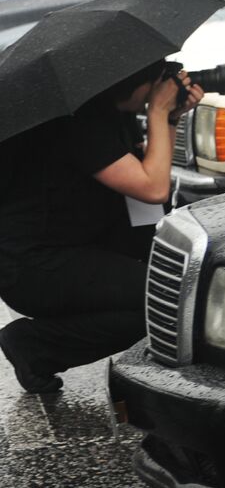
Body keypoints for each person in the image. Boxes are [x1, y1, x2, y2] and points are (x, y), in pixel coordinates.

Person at [0, 61, 203, 393]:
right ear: (134, 80)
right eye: (157, 80)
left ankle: (40, 343)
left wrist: (168, 117)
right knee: (162, 300)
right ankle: (36, 345)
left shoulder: (110, 115)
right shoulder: (80, 124)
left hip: (72, 247)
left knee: (167, 293)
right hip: (31, 266)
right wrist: (157, 113)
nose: (160, 89)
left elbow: (148, 190)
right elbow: (153, 188)